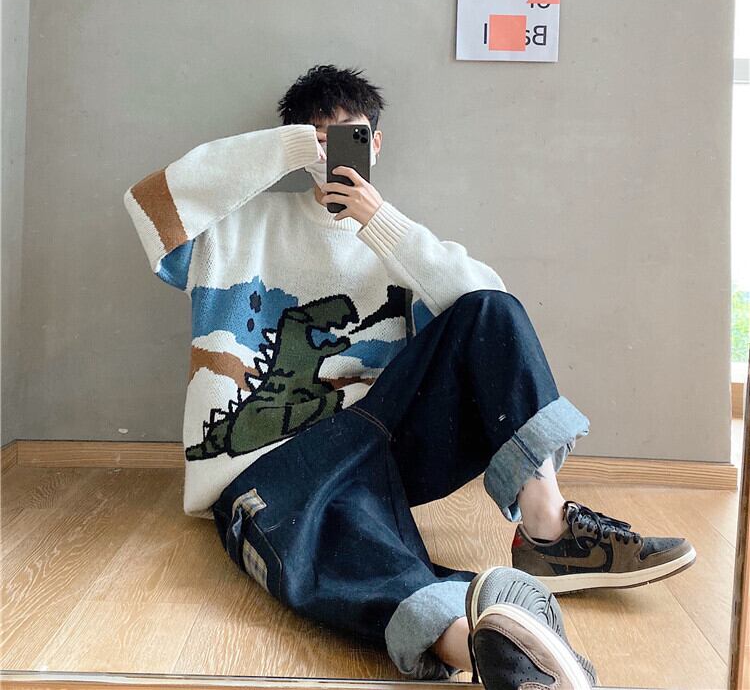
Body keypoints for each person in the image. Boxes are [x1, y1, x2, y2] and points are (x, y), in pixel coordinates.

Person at [123, 63, 694, 686]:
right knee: (334, 556)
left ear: (377, 143)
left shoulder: (397, 241)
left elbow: (492, 315)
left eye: (350, 137)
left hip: (380, 449)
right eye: (317, 141)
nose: (333, 154)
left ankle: (547, 529)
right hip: (273, 467)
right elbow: (148, 208)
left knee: (487, 309)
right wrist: (285, 149)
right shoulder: (235, 231)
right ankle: (487, 655)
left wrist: (381, 224)